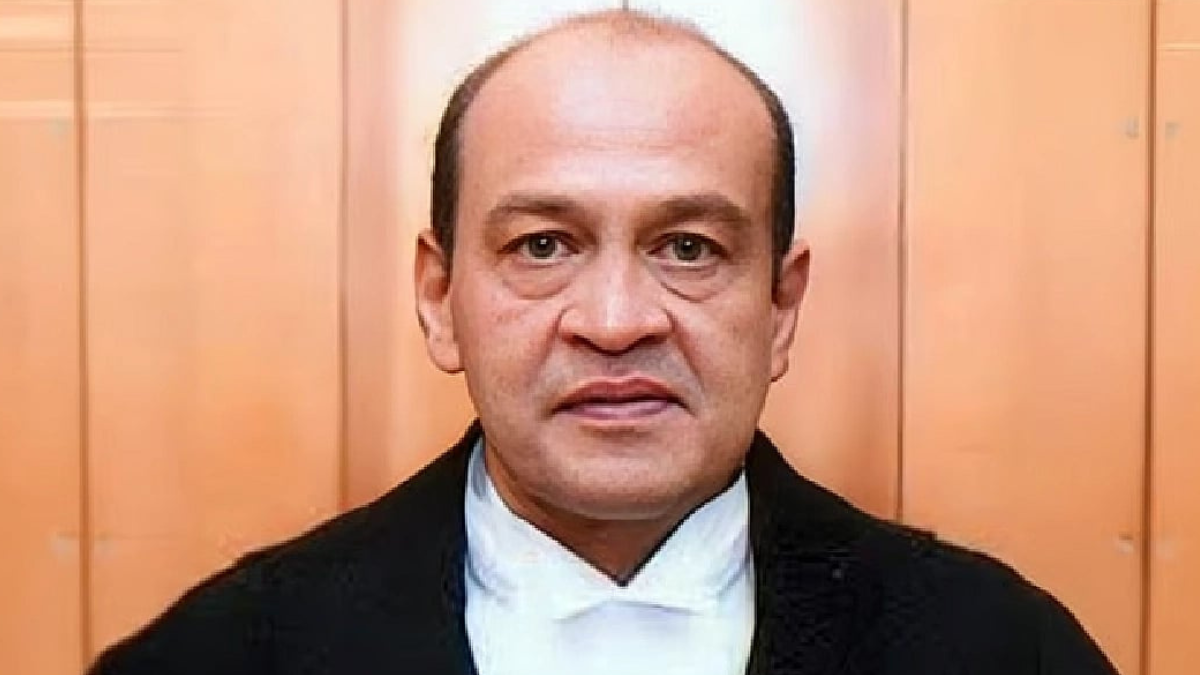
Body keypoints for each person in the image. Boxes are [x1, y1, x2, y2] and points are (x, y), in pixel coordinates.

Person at [88, 9, 1118, 675]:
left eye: (688, 247)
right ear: (440, 297)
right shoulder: (218, 656)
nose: (617, 321)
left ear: (780, 306)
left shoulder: (1002, 650)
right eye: (543, 245)